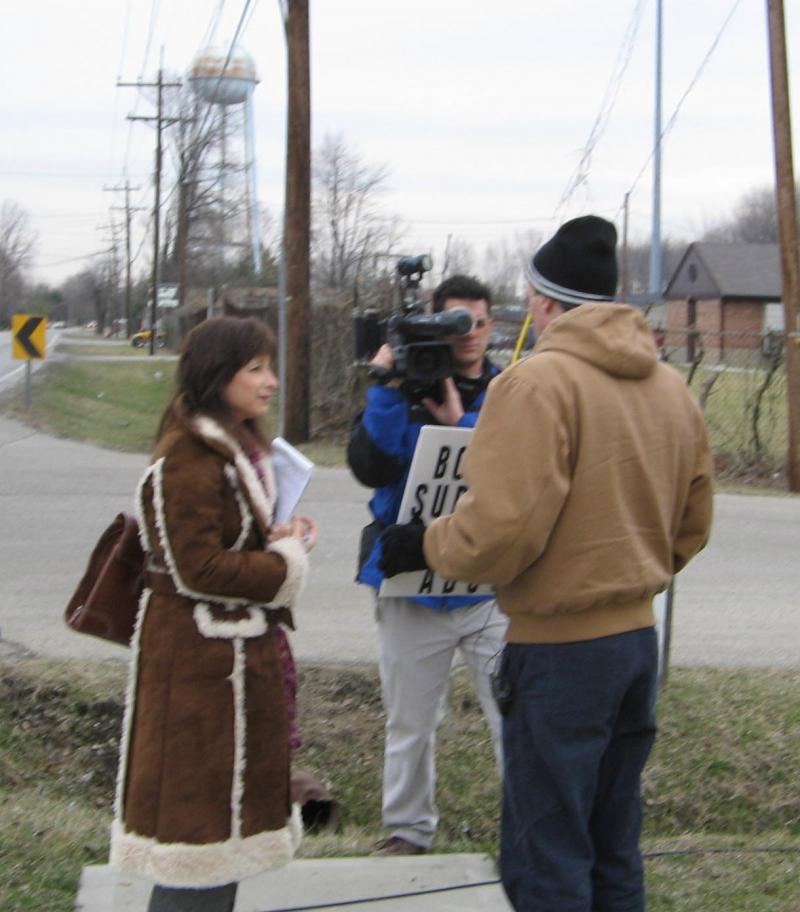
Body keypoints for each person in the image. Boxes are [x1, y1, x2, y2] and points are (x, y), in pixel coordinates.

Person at [379, 216, 714, 910]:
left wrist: (423, 544)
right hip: (635, 647)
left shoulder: (536, 386)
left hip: (559, 655)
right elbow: (694, 522)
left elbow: (500, 535)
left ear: (542, 302)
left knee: (548, 853)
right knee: (612, 842)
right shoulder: (670, 388)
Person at [110, 316, 317, 912]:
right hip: (195, 674)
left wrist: (282, 536)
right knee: (193, 841)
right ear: (216, 375)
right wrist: (284, 562)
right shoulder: (188, 456)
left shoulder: (233, 445)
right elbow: (197, 569)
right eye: (256, 368)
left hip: (222, 668)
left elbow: (234, 545)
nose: (270, 381)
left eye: (269, 367)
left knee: (213, 842)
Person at [347, 274, 508, 856]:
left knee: (513, 716)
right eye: (453, 322)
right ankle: (408, 830)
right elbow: (372, 465)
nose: (466, 334)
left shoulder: (511, 390)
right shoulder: (403, 385)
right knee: (410, 722)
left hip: (489, 587)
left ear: (492, 328)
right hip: (409, 584)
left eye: (478, 322)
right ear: (431, 325)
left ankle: (531, 825)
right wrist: (387, 388)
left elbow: (507, 472)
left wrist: (459, 419)